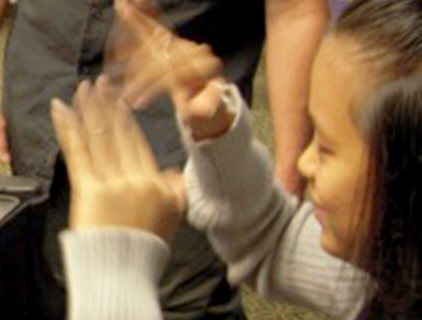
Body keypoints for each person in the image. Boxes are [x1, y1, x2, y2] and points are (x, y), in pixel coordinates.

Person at [0, 0, 329, 317]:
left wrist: (288, 172)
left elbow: (294, 10)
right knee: (50, 284)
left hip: (181, 123)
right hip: (42, 97)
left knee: (176, 300)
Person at [55, 0, 422, 318]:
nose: (306, 165)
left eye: (325, 147)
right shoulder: (392, 269)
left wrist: (115, 271)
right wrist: (217, 135)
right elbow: (272, 243)